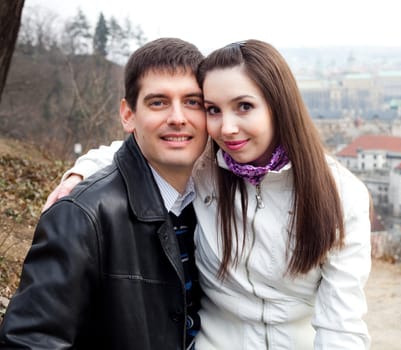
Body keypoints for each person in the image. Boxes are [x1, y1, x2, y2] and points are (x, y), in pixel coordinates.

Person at [45, 39, 372, 349]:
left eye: (244, 107)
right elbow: (137, 148)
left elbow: (341, 327)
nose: (227, 128)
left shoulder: (338, 194)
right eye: (213, 110)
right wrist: (80, 174)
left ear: (279, 107)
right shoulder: (205, 169)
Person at [0, 37, 208, 350]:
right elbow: (29, 341)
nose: (178, 117)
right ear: (128, 115)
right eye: (158, 102)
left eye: (193, 101)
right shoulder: (81, 216)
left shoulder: (219, 198)